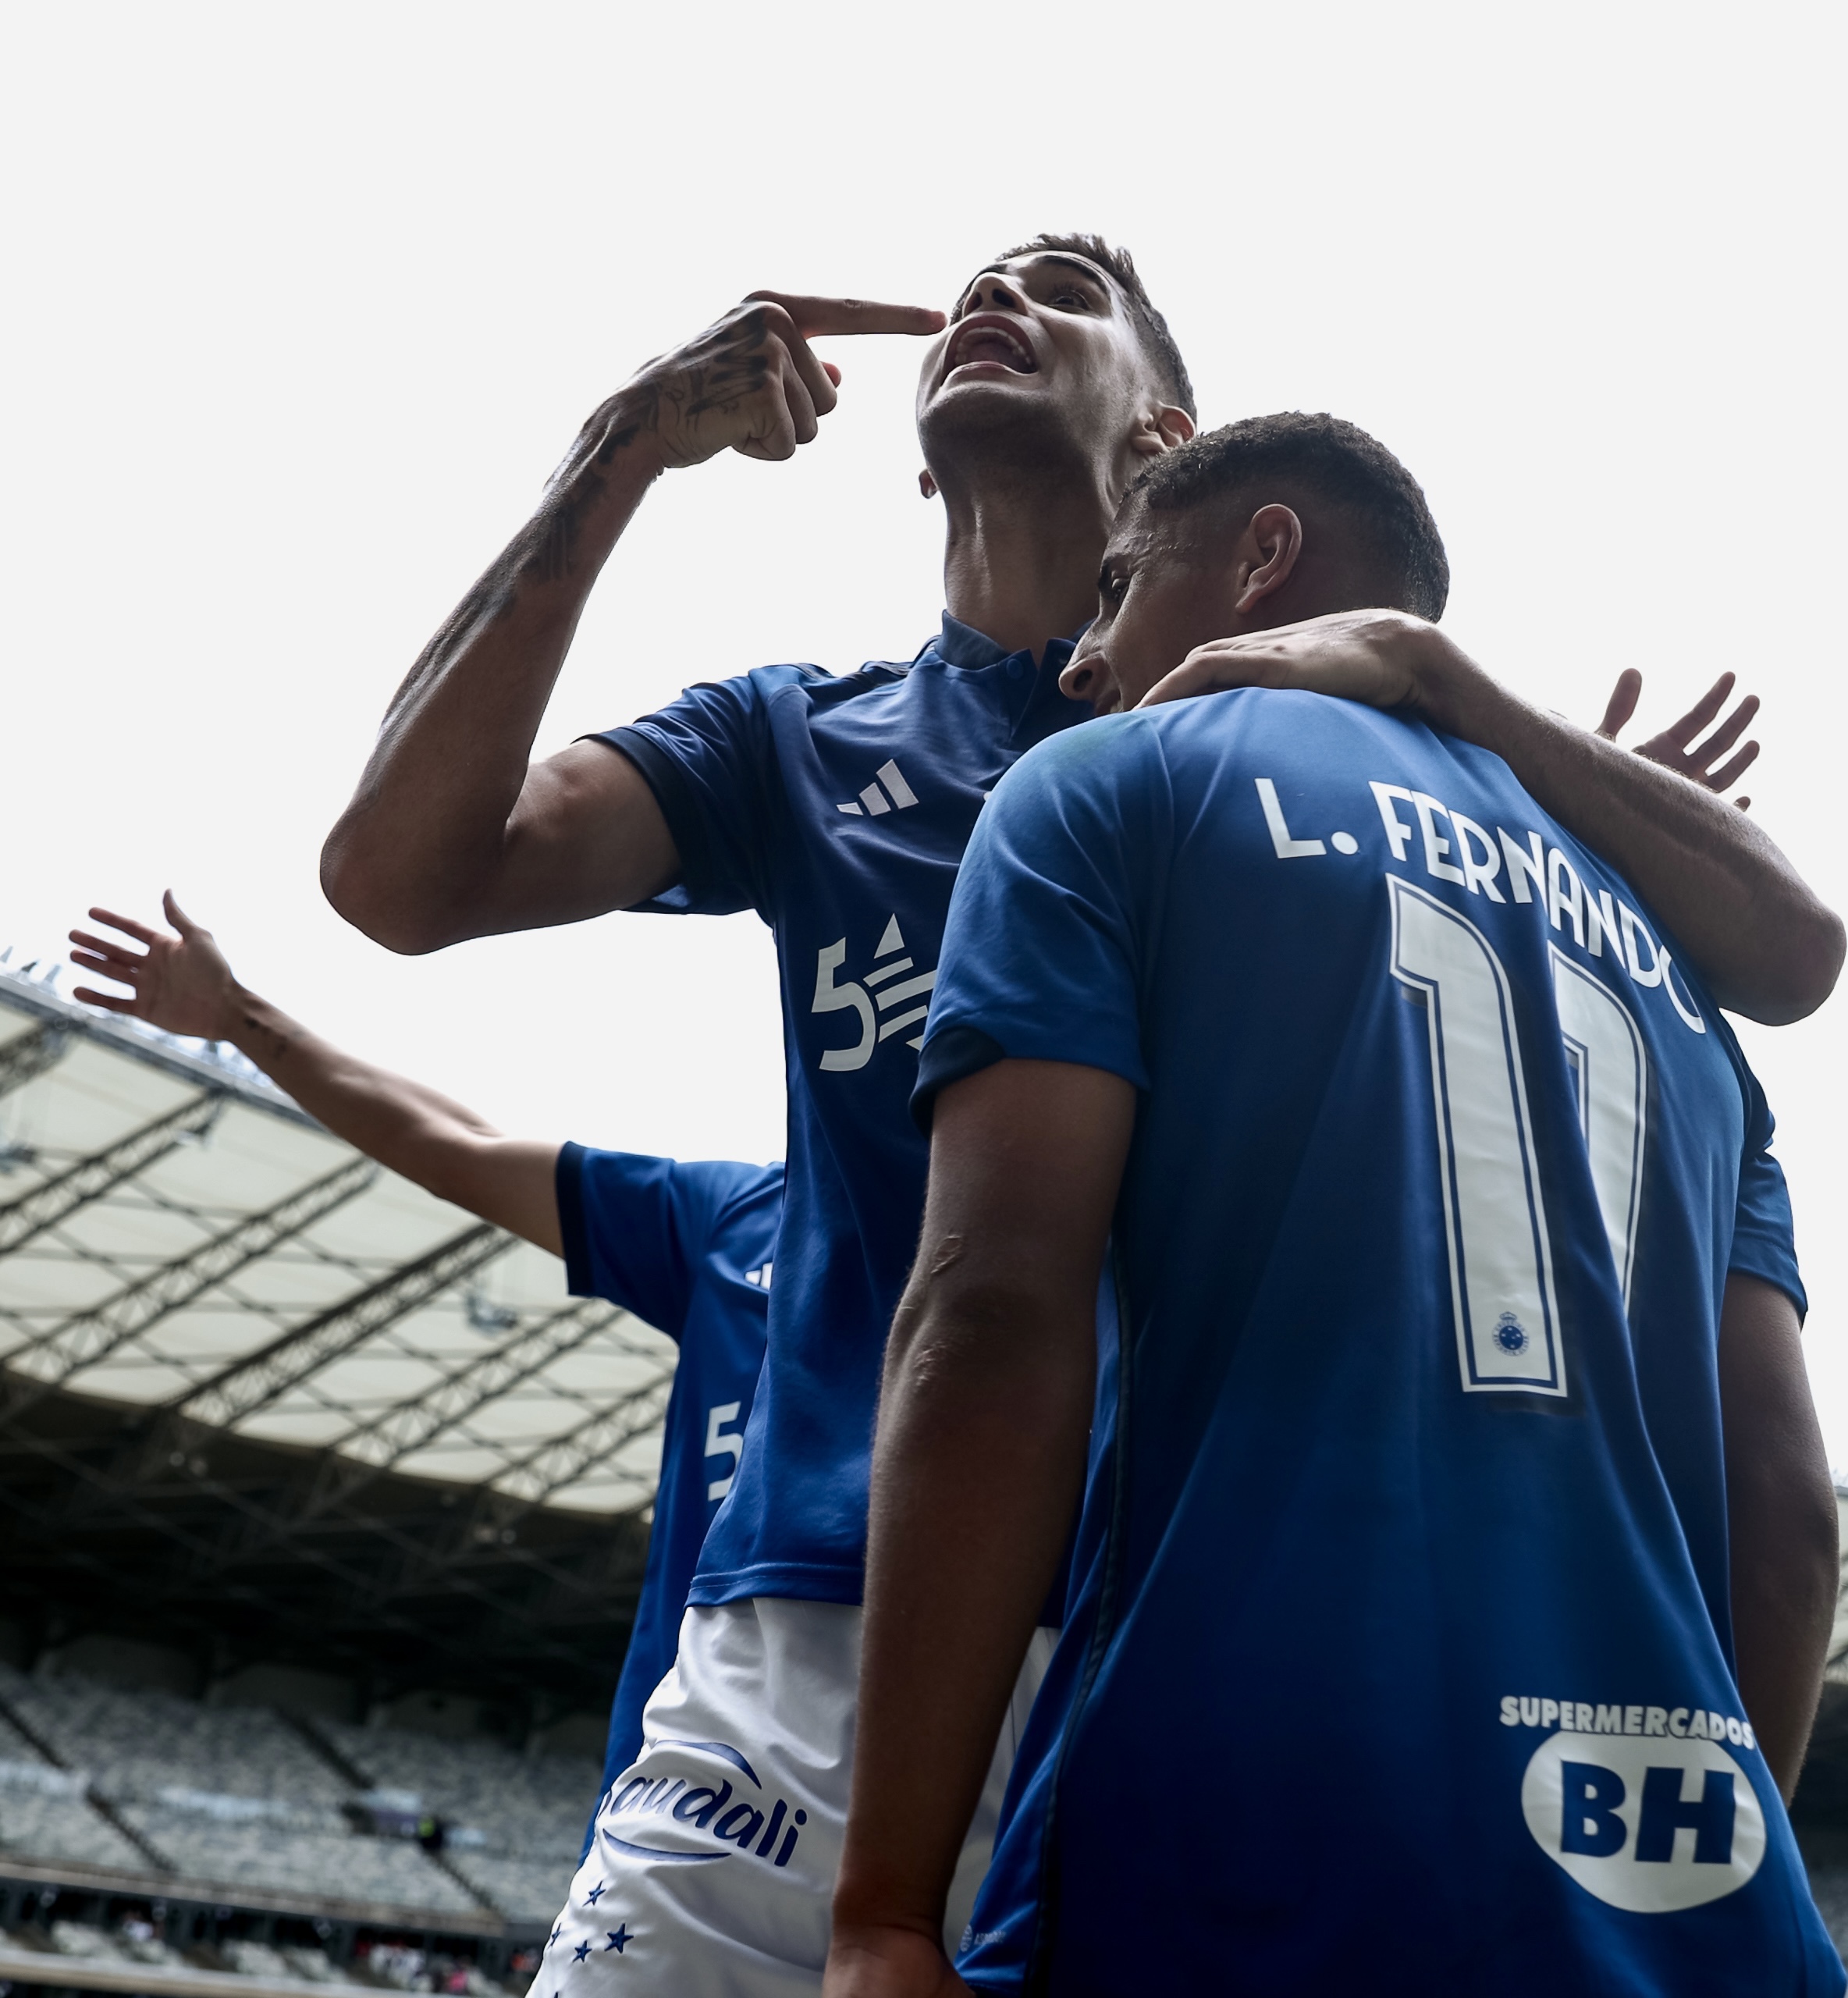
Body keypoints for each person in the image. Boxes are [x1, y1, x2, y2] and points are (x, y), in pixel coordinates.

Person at [318, 236, 1841, 1995]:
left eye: (1059, 289)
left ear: (1166, 440)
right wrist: (621, 449)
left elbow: (1779, 953)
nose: (989, 302)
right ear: (911, 461)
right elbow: (396, 875)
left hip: (1222, 1640)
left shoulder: (1295, 756)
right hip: (849, 1621)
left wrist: (1524, 786)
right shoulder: (798, 737)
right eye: (973, 289)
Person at [824, 414, 1841, 1996]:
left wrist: (884, 1902)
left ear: (1264, 555)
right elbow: (1787, 1522)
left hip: (1240, 1855)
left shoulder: (1101, 787)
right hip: (1685, 1911)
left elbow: (993, 1312)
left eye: (1111, 592)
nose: (1079, 659)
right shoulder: (1681, 991)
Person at [63, 894, 776, 1848]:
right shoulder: (736, 1218)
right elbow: (459, 1147)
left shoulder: (1028, 1256)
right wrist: (240, 1020)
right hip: (678, 1810)